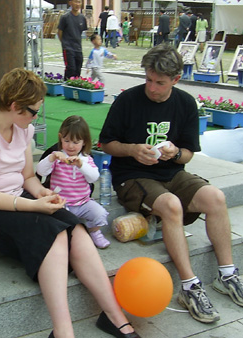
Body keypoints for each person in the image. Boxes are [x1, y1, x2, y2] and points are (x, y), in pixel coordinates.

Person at [0, 68, 140, 338]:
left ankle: (114, 316)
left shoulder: (23, 129)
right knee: (52, 231)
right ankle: (63, 332)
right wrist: (34, 205)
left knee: (74, 227)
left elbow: (28, 177)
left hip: (17, 195)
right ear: (16, 106)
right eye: (33, 111)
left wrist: (42, 194)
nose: (35, 118)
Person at [99, 43, 243, 324]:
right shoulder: (127, 100)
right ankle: (189, 286)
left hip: (171, 173)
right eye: (148, 80)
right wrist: (132, 150)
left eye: (159, 83)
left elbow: (189, 152)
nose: (152, 88)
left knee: (215, 197)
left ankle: (227, 274)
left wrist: (175, 152)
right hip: (130, 176)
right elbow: (106, 144)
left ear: (176, 80)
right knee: (171, 205)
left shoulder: (185, 103)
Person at [36, 115, 111, 249]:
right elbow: (41, 171)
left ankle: (94, 231)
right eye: (67, 140)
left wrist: (81, 165)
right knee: (62, 222)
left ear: (84, 142)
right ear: (60, 137)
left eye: (76, 142)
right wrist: (51, 158)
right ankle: (68, 239)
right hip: (62, 204)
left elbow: (93, 178)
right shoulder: (57, 157)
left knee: (99, 213)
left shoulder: (87, 160)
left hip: (83, 203)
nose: (70, 146)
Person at [57, 0, 87, 80]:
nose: (77, 4)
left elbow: (80, 32)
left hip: (78, 48)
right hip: (68, 48)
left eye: (79, 2)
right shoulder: (65, 17)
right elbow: (59, 32)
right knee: (71, 68)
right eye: (75, 2)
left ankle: (74, 88)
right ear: (70, 3)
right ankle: (66, 87)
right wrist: (64, 43)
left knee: (78, 69)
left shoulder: (82, 18)